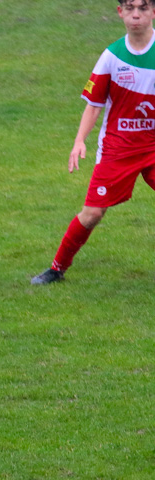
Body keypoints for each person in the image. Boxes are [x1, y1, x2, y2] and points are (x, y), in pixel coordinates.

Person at [32, 0, 155, 284]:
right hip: (117, 149)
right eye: (130, 8)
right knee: (92, 214)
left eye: (143, 7)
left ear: (153, 12)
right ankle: (57, 268)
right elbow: (94, 105)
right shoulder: (112, 57)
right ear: (120, 12)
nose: (136, 14)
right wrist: (79, 141)